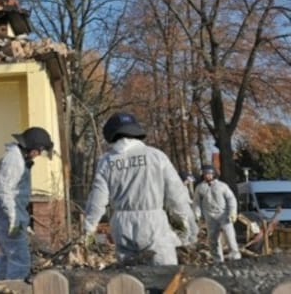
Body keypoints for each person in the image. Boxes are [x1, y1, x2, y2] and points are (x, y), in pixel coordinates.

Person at [83, 112, 197, 265]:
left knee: (130, 279)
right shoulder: (156, 156)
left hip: (121, 224)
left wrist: (89, 229)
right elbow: (177, 196)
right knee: (164, 278)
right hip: (153, 223)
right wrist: (188, 230)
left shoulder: (106, 161)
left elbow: (97, 200)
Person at [0, 126, 54, 281]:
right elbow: (5, 191)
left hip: (8, 213)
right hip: (7, 215)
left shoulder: (18, 157)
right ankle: (14, 289)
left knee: (6, 257)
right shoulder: (14, 160)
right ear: (33, 148)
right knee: (20, 260)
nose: (37, 156)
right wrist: (13, 218)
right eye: (38, 151)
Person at [193, 165, 241, 262]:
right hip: (210, 216)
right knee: (213, 240)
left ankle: (236, 257)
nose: (207, 176)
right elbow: (196, 202)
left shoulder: (222, 186)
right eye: (205, 174)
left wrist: (232, 212)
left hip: (224, 214)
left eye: (209, 174)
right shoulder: (200, 187)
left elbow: (231, 199)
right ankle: (217, 260)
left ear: (213, 174)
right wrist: (197, 214)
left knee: (230, 237)